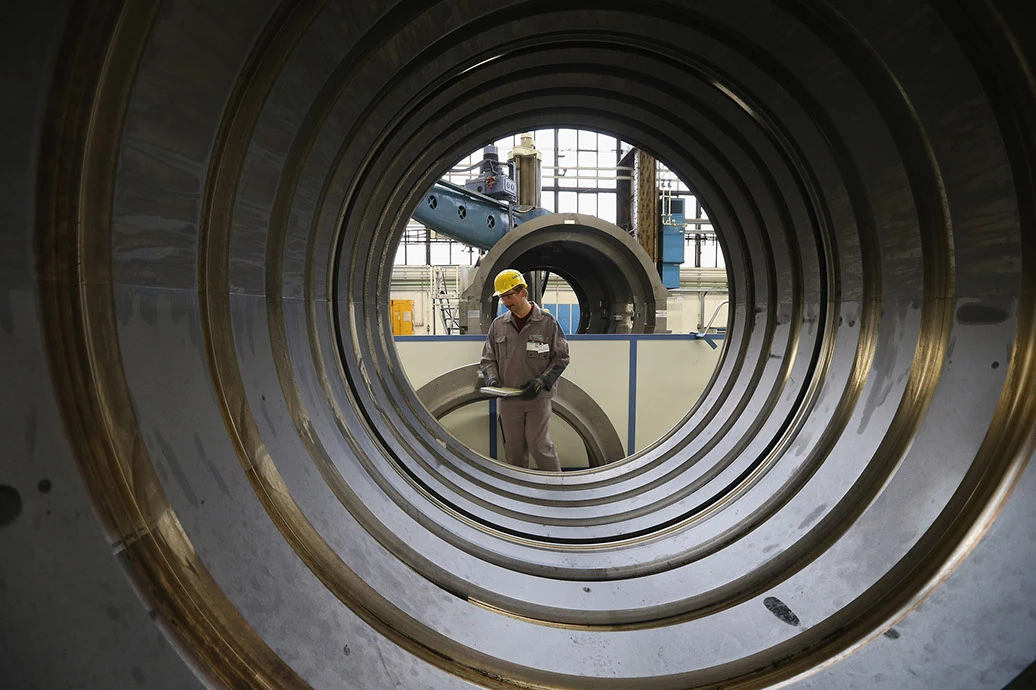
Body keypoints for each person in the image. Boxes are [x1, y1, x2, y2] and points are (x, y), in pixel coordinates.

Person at [480, 269, 570, 471]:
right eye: (502, 297)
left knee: (539, 446)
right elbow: (487, 360)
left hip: (537, 399)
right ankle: (521, 494)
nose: (506, 301)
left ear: (523, 292)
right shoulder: (498, 326)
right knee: (513, 450)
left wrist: (542, 382)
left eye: (509, 295)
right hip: (509, 399)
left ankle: (556, 489)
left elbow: (561, 357)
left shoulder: (547, 324)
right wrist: (493, 381)